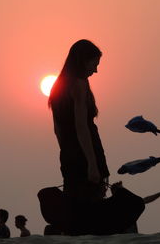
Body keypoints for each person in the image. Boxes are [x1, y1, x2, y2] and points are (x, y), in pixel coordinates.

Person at [48, 39, 110, 205]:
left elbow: (57, 129)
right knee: (93, 204)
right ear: (83, 61)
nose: (96, 70)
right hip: (86, 152)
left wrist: (67, 151)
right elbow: (82, 126)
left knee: (74, 205)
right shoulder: (79, 84)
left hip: (68, 154)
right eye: (94, 64)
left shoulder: (57, 86)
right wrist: (92, 163)